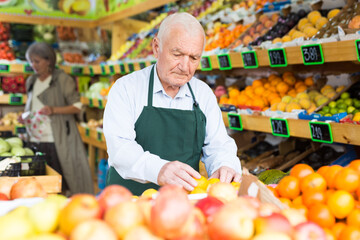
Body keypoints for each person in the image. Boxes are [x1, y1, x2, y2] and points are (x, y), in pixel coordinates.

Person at [103, 12, 241, 195]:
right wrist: (158, 169)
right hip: (128, 203)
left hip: (182, 206)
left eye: (194, 58)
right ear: (156, 47)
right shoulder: (126, 89)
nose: (185, 67)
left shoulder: (203, 94)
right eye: (177, 54)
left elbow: (218, 145)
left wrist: (225, 165)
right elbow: (120, 149)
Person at [22, 42, 93, 195]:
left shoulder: (62, 80)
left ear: (48, 61)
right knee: (39, 183)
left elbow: (77, 106)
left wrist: (54, 110)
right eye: (31, 61)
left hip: (57, 140)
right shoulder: (31, 82)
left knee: (62, 182)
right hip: (35, 140)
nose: (33, 65)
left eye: (37, 61)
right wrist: (25, 118)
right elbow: (32, 107)